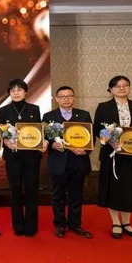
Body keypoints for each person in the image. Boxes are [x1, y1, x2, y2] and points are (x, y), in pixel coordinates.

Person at [93, 75, 132, 239]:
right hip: (112, 155)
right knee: (114, 189)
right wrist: (109, 141)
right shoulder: (104, 107)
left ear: (129, 88)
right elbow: (97, 129)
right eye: (117, 86)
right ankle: (116, 222)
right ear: (111, 89)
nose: (122, 88)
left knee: (130, 188)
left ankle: (126, 222)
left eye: (125, 85)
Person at [0, 79, 47, 237]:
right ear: (9, 93)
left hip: (32, 157)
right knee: (15, 191)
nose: (16, 93)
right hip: (13, 157)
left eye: (19, 90)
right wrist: (6, 142)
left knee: (32, 190)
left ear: (25, 91)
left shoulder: (34, 109)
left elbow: (39, 131)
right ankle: (18, 225)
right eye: (13, 90)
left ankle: (31, 225)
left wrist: (43, 142)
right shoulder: (4, 111)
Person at [42, 86, 93, 238]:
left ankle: (75, 225)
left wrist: (86, 151)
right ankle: (59, 225)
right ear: (57, 99)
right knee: (57, 196)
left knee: (76, 196)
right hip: (58, 163)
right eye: (62, 96)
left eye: (69, 96)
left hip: (78, 162)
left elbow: (91, 138)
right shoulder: (48, 116)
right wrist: (52, 145)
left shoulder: (83, 115)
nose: (66, 99)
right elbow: (43, 139)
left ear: (74, 98)